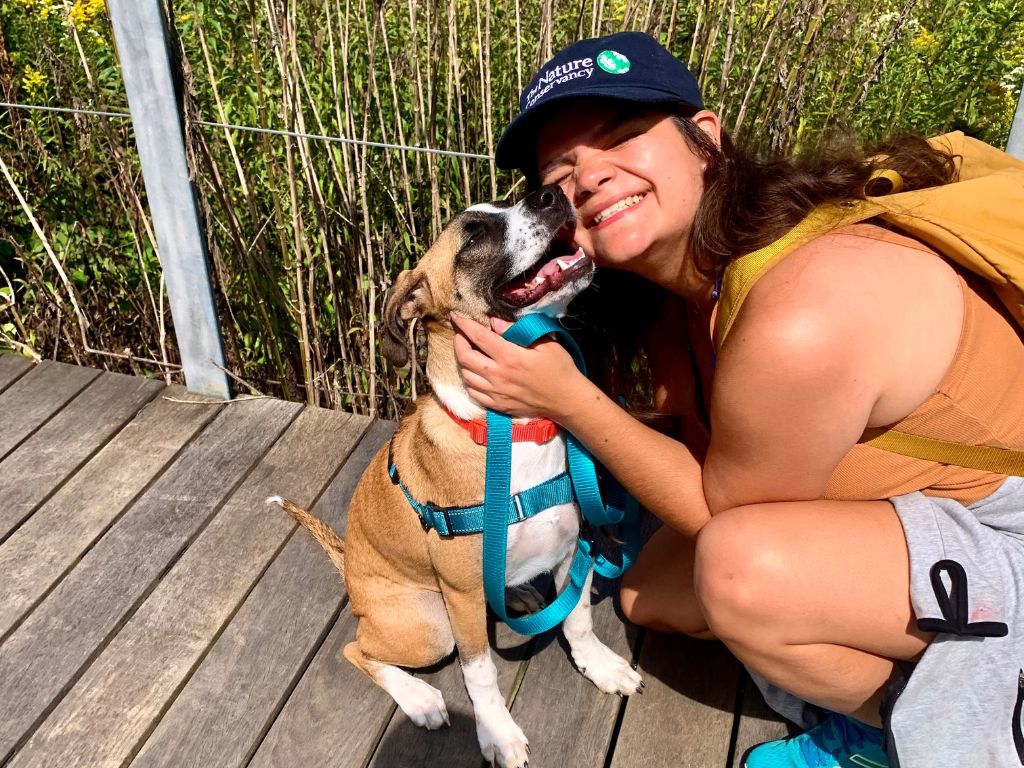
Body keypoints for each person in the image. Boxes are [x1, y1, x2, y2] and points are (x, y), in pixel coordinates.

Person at [449, 31, 1024, 768]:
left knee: (734, 571)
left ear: (705, 142)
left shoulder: (805, 309)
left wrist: (570, 400)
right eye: (561, 172)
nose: (589, 178)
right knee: (649, 594)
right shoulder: (689, 288)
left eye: (623, 137)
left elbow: (731, 519)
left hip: (1009, 534)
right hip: (935, 521)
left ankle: (899, 733)